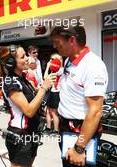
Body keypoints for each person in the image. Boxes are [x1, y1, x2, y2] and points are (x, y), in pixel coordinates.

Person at [50, 25, 108, 167]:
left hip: (79, 132)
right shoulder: (69, 60)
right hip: (65, 127)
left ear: (72, 40)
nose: (55, 46)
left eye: (58, 43)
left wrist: (79, 147)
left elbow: (95, 112)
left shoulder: (93, 65)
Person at [2, 45, 56, 167]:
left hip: (32, 132)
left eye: (26, 55)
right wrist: (43, 88)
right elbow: (29, 111)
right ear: (11, 63)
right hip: (21, 135)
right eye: (23, 57)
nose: (27, 58)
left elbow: (35, 98)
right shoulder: (11, 82)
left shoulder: (23, 78)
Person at [43, 53, 63, 135]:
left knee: (54, 112)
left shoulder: (60, 70)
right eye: (51, 59)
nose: (52, 61)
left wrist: (48, 66)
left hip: (56, 92)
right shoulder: (53, 69)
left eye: (54, 59)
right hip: (51, 92)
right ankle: (48, 128)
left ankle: (56, 130)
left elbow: (45, 77)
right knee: (47, 111)